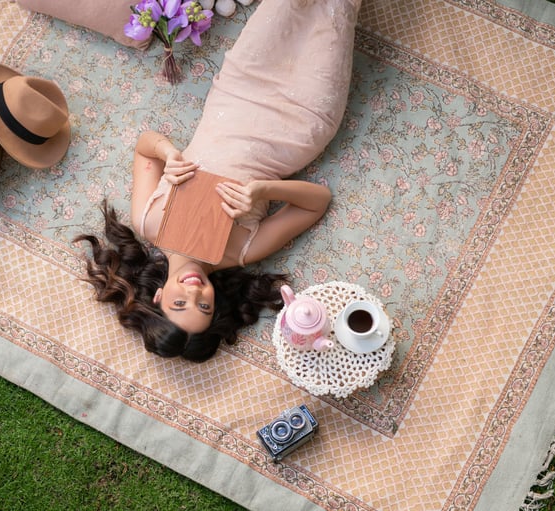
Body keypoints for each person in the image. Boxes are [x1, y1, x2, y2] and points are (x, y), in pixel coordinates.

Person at [76, 0, 361, 362]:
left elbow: (144, 148)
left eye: (181, 302)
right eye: (204, 307)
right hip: (302, 119)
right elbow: (318, 201)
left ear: (160, 296)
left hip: (241, 87)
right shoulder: (243, 251)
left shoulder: (148, 221)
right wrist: (264, 189)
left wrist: (170, 155)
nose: (196, 293)